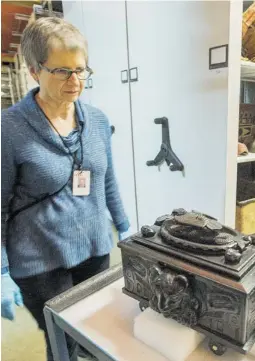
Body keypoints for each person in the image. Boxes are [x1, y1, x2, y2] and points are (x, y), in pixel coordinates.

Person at [1, 17, 132, 360]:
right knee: (64, 343)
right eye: (62, 71)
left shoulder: (98, 120)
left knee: (96, 330)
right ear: (34, 70)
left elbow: (107, 179)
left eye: (81, 69)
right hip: (41, 260)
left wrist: (124, 226)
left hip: (94, 247)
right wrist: (0, 271)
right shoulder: (9, 129)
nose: (75, 81)